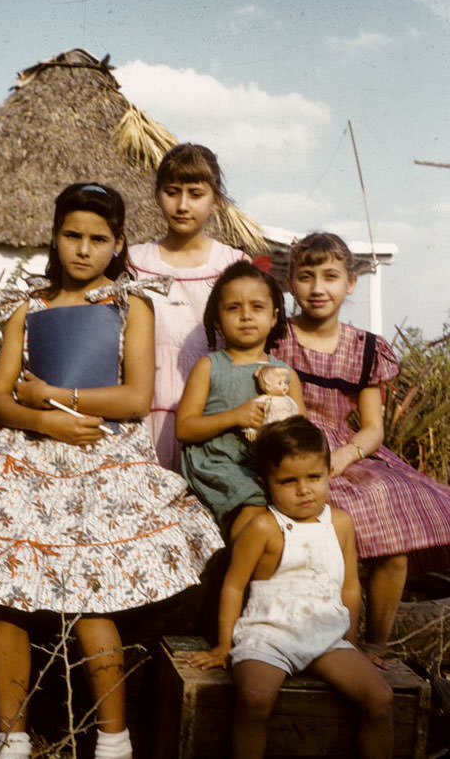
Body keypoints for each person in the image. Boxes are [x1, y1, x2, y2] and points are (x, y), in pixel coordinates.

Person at [0, 183, 224, 759]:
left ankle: (113, 737)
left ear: (116, 245)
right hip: (31, 453)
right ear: (55, 237)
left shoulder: (130, 304)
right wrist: (49, 424)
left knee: (92, 594)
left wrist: (60, 398)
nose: (82, 250)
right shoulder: (28, 306)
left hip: (102, 457)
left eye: (97, 239)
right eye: (71, 236)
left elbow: (134, 398)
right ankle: (11, 736)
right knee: (5, 596)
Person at [271, 231, 450, 646]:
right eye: (306, 276)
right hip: (289, 444)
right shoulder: (277, 337)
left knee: (394, 514)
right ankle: (328, 641)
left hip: (345, 451)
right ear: (291, 282)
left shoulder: (366, 347)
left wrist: (345, 455)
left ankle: (377, 644)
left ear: (350, 283)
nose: (318, 288)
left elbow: (372, 427)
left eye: (331, 277)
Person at [189, 416, 394, 759]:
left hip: (326, 636)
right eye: (288, 481)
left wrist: (352, 643)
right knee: (255, 699)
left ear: (329, 471)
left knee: (381, 699)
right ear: (265, 482)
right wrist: (224, 644)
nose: (304, 489)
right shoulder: (263, 527)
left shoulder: (340, 523)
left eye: (314, 477)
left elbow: (349, 588)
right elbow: (233, 586)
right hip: (267, 635)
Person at [129, 143, 248, 471]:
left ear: (216, 201)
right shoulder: (136, 261)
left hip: (215, 409)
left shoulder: (233, 264)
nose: (182, 205)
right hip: (144, 404)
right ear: (157, 196)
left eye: (195, 194)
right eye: (172, 192)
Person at [176, 261, 304, 542]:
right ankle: (234, 582)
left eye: (257, 307)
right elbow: (184, 429)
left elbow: (301, 434)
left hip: (268, 466)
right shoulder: (209, 366)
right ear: (218, 320)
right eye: (234, 308)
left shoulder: (286, 373)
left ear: (274, 316)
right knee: (254, 516)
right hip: (219, 464)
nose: (245, 316)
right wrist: (235, 417)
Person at [243, 363, 299, 442]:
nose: (285, 386)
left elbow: (295, 411)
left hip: (286, 430)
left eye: (285, 382)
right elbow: (252, 415)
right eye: (280, 383)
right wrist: (251, 430)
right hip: (270, 431)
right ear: (268, 387)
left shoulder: (288, 400)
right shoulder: (266, 400)